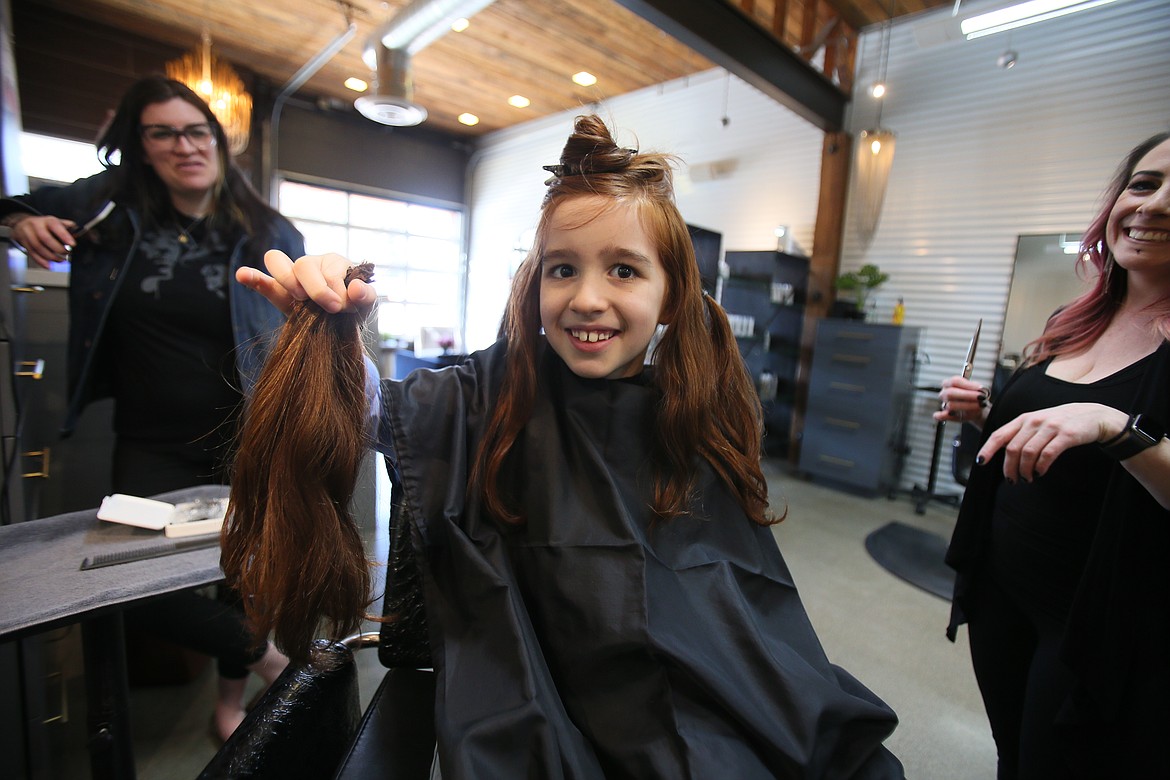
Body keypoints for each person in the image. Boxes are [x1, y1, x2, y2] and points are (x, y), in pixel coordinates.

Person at [227, 114, 903, 777]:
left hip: (705, 702)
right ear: (537, 280)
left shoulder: (696, 413)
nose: (586, 298)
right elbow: (371, 411)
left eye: (624, 272)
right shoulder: (489, 396)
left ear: (670, 294)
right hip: (539, 701)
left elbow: (749, 611)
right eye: (562, 270)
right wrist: (336, 332)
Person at [0, 75, 297, 742]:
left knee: (243, 576)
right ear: (141, 145)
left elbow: (299, 328)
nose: (182, 146)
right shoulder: (109, 207)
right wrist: (22, 221)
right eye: (161, 133)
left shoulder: (267, 229)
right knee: (128, 589)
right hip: (149, 439)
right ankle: (271, 663)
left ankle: (229, 706)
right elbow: (6, 202)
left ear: (218, 141)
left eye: (195, 131)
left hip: (243, 434)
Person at [937, 131, 1170, 778]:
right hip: (1002, 590)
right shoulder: (1076, 320)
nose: (1153, 206)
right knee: (1012, 753)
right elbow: (1056, 444)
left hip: (1100, 623)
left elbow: (1107, 434)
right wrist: (988, 416)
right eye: (1144, 184)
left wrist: (1115, 426)